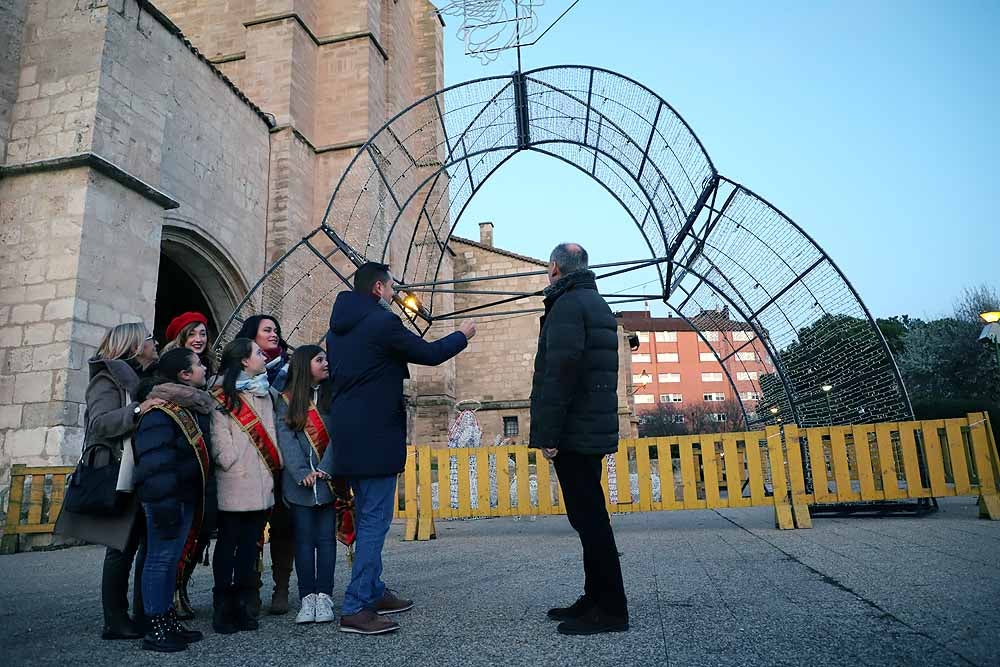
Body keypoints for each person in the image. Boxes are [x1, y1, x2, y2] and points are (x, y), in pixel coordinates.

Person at [325, 262, 476, 635]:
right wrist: (461, 334)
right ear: (377, 288)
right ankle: (358, 606)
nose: (395, 294)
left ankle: (373, 590)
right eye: (391, 288)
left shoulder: (337, 329)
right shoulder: (381, 323)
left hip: (350, 435)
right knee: (375, 521)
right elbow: (429, 354)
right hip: (375, 436)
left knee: (367, 516)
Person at [529, 243, 628, 635]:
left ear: (554, 268)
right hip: (589, 427)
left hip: (574, 431)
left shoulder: (568, 305)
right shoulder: (593, 301)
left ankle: (611, 608)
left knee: (590, 520)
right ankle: (595, 597)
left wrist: (549, 434)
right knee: (588, 517)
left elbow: (561, 372)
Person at [54, 322, 161, 640]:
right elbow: (100, 424)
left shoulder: (146, 379)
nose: (155, 344)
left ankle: (147, 614)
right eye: (150, 339)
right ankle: (115, 620)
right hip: (119, 472)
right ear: (134, 344)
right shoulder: (107, 378)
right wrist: (140, 408)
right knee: (121, 548)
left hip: (144, 471)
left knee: (147, 547)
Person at [132, 348, 214, 652]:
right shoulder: (160, 410)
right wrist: (164, 501)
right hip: (166, 498)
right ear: (184, 374)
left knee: (170, 561)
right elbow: (155, 461)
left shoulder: (188, 405)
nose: (204, 367)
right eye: (198, 364)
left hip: (183, 495)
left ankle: (167, 620)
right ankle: (155, 627)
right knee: (160, 560)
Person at [209, 338, 281, 634]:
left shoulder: (265, 393)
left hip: (261, 480)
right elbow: (218, 435)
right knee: (228, 544)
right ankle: (222, 606)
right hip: (235, 481)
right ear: (243, 360)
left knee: (250, 548)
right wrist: (230, 461)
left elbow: (272, 433)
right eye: (258, 353)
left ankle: (241, 602)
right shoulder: (221, 395)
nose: (264, 357)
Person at [234, 314, 294, 615]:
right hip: (253, 460)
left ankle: (281, 587)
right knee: (252, 529)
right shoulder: (238, 374)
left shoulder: (290, 368)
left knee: (284, 527)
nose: (274, 334)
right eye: (267, 330)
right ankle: (250, 586)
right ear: (252, 337)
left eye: (276, 330)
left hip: (284, 459)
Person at [274, 345, 338, 625]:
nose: (326, 363)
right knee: (303, 542)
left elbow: (340, 435)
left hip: (327, 484)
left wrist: (326, 468)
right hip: (299, 487)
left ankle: (324, 595)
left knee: (326, 542)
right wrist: (301, 471)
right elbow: (285, 437)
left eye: (326, 358)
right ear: (303, 365)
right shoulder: (286, 400)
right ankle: (306, 598)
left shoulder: (332, 397)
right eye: (319, 359)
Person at [160, 310, 217, 618]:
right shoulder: (168, 369)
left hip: (202, 464)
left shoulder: (207, 372)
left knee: (197, 534)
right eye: (193, 333)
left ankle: (181, 589)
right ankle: (162, 600)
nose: (199, 339)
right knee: (169, 541)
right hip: (177, 465)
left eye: (203, 334)